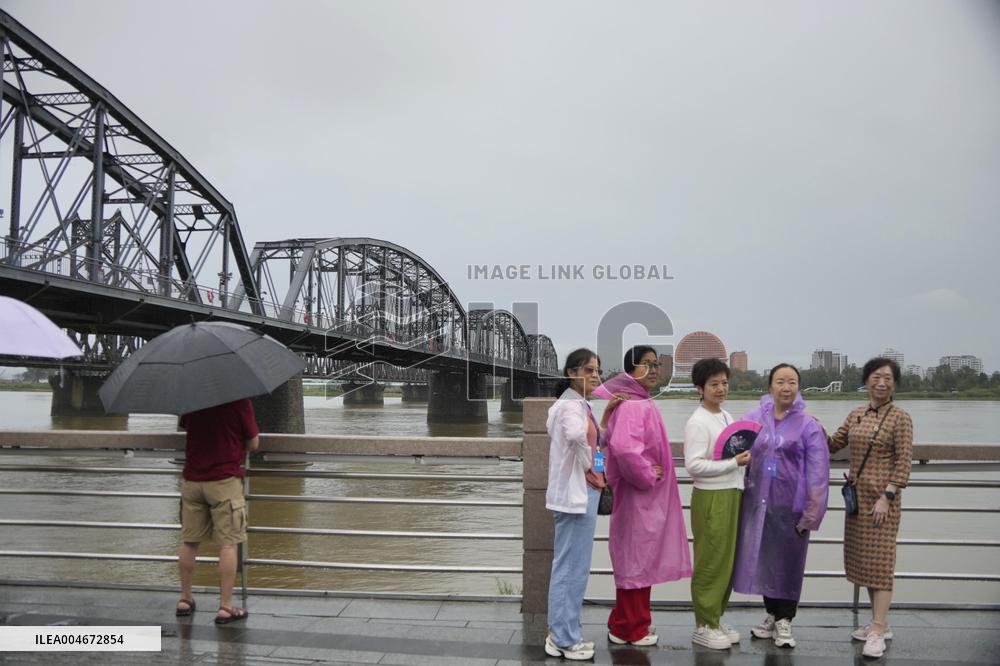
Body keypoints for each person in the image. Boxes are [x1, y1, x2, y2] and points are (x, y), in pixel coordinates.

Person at [597, 345, 692, 646]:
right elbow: (625, 449)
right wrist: (648, 475)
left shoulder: (636, 400)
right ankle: (629, 628)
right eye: (645, 365)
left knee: (637, 560)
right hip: (639, 496)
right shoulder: (633, 405)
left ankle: (627, 623)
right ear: (630, 370)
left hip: (641, 498)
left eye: (656, 365)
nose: (652, 370)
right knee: (636, 562)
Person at [733, 363, 830, 649]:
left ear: (798, 387)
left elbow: (819, 471)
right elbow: (734, 444)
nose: (786, 387)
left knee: (789, 561)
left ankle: (786, 619)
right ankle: (772, 614)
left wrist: (812, 512)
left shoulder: (808, 425)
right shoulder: (754, 418)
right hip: (759, 504)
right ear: (770, 387)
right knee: (764, 561)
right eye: (780, 381)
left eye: (791, 382)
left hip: (792, 506)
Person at [828, 357, 913, 659]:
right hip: (857, 501)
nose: (881, 383)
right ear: (866, 381)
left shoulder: (900, 418)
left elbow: (903, 462)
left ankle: (877, 630)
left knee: (881, 564)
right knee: (865, 563)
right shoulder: (856, 414)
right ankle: (880, 623)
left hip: (881, 501)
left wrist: (887, 496)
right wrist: (807, 426)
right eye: (876, 377)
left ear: (894, 384)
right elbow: (833, 444)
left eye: (888, 378)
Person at [543, 347, 614, 661]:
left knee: (574, 568)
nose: (595, 376)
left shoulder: (578, 404)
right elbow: (575, 437)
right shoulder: (572, 406)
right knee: (570, 569)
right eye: (589, 370)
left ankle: (565, 633)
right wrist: (589, 466)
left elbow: (591, 439)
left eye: (597, 370)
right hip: (576, 497)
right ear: (571, 373)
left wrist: (605, 424)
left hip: (582, 494)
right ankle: (562, 638)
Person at [683, 358, 750, 650]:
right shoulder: (697, 421)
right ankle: (704, 624)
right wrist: (732, 462)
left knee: (727, 560)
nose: (721, 389)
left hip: (732, 493)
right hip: (711, 497)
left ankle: (716, 617)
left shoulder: (726, 416)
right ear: (700, 388)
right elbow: (693, 466)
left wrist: (738, 463)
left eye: (724, 383)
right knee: (710, 561)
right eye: (714, 384)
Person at [175, 398, 259, 624]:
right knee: (228, 544)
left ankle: (184, 600)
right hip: (224, 481)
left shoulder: (193, 398)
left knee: (189, 541)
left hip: (192, 480)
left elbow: (184, 427)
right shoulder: (239, 401)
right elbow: (253, 443)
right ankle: (225, 607)